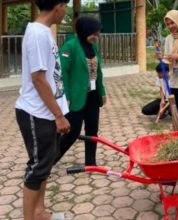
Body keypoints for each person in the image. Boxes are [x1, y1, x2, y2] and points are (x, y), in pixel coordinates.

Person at [15, 0, 70, 219]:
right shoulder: (38, 34)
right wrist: (58, 115)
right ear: (57, 7)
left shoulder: (43, 31)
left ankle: (39, 211)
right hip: (36, 113)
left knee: (46, 163)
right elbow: (38, 79)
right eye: (65, 6)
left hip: (46, 111)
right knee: (37, 168)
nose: (65, 12)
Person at [55, 16, 107, 166]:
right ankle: (49, 160)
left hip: (92, 96)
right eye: (93, 34)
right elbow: (62, 73)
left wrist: (102, 91)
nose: (96, 37)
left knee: (92, 130)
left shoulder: (93, 47)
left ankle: (91, 163)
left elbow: (99, 71)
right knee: (72, 131)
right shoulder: (69, 47)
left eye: (97, 34)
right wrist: (66, 96)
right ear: (84, 31)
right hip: (76, 97)